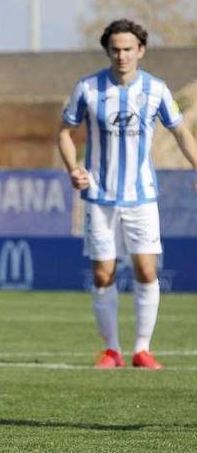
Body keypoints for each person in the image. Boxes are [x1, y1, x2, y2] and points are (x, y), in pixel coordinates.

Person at [58, 19, 197, 370]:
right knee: (103, 273)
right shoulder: (88, 88)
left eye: (128, 49)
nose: (122, 56)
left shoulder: (156, 90)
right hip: (99, 197)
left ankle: (142, 350)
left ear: (141, 51)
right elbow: (64, 132)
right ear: (108, 51)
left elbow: (181, 132)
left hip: (142, 197)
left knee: (147, 271)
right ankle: (112, 350)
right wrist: (73, 168)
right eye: (115, 49)